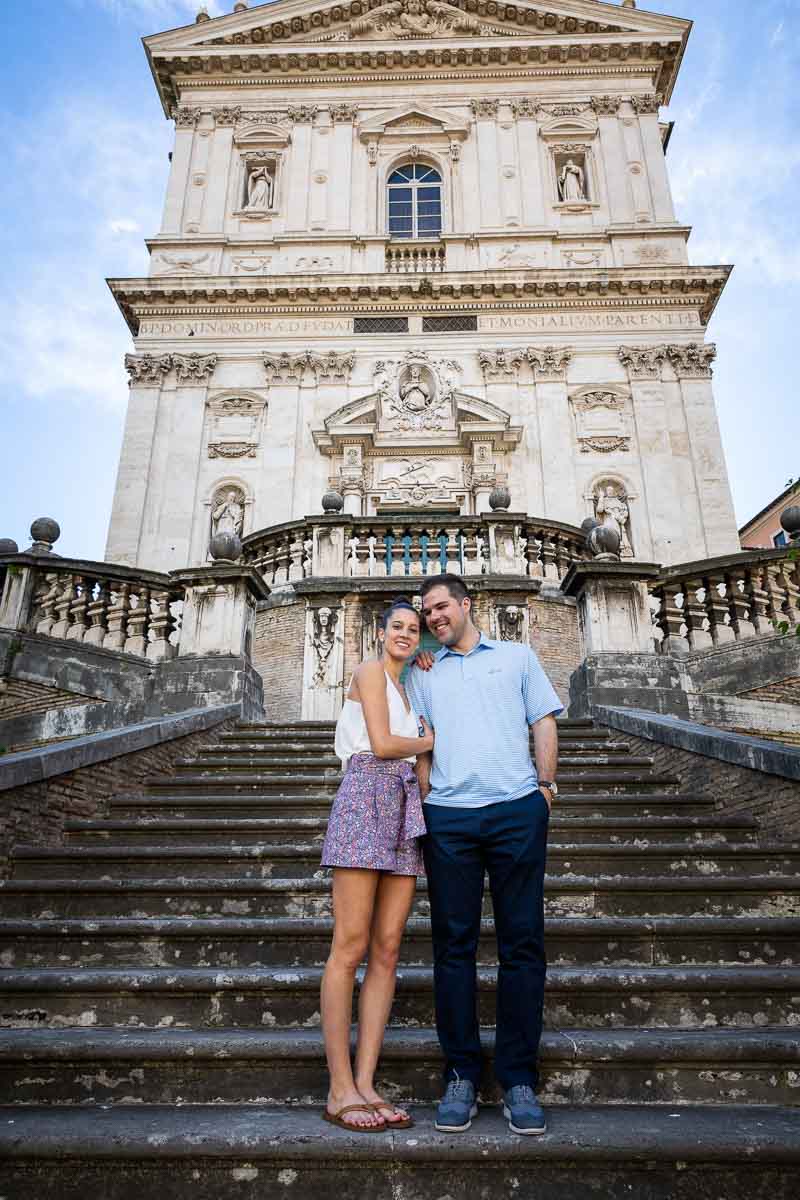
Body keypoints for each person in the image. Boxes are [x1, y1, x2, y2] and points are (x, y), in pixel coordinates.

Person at [407, 574, 562, 1136]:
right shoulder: (423, 671)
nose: (433, 618)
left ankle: (519, 1077)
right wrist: (427, 804)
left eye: (441, 607)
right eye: (427, 612)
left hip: (517, 809)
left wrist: (544, 791)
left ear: (467, 604)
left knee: (523, 945)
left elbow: (542, 720)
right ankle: (462, 1076)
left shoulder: (518, 657)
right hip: (450, 817)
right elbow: (421, 740)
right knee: (453, 949)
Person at [319, 599, 434, 1132]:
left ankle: (366, 1081)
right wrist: (430, 741)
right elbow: (386, 744)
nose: (406, 635)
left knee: (387, 948)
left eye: (414, 629)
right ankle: (339, 1087)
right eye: (398, 627)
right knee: (350, 945)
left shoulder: (411, 686)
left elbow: (412, 757)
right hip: (366, 793)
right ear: (380, 631)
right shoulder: (367, 672)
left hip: (404, 804)